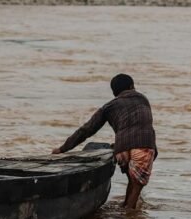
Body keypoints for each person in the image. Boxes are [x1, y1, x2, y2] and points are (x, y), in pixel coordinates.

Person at [52, 73, 157, 209]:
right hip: (143, 145)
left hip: (122, 149)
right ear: (132, 87)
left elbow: (87, 129)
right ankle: (129, 216)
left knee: (131, 179)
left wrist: (62, 149)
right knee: (137, 185)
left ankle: (125, 206)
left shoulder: (109, 106)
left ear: (114, 92)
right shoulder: (143, 99)